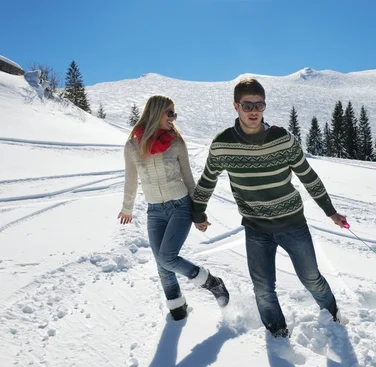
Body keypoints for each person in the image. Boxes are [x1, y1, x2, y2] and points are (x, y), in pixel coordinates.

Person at [192, 78, 347, 337]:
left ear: (264, 106)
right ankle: (277, 335)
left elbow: (307, 175)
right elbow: (208, 179)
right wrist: (198, 213)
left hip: (293, 224)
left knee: (311, 279)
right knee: (263, 288)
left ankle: (334, 319)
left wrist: (330, 211)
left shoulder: (282, 139)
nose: (253, 110)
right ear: (236, 106)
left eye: (259, 104)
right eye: (247, 105)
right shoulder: (223, 144)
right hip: (255, 228)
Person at [118, 95, 229, 321]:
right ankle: (177, 309)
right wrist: (127, 208)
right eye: (170, 113)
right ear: (156, 112)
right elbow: (131, 179)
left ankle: (212, 283)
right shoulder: (132, 146)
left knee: (167, 257)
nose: (174, 118)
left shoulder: (176, 142)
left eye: (174, 113)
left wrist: (199, 213)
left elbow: (188, 179)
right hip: (154, 211)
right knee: (162, 264)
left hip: (180, 206)